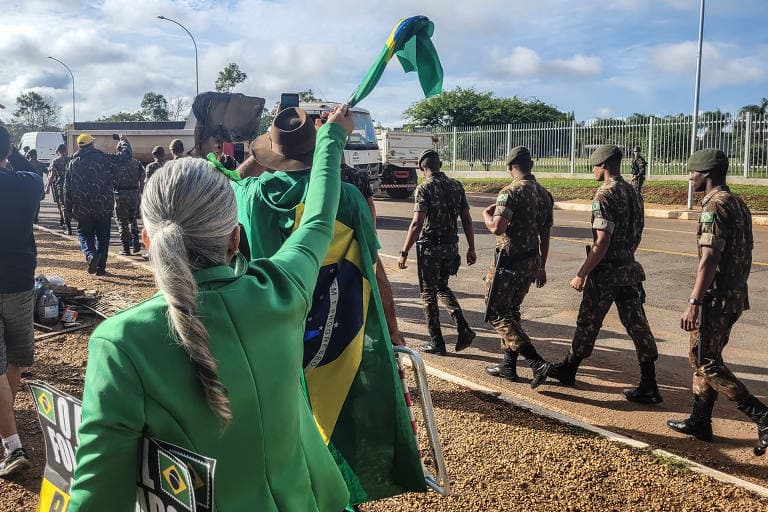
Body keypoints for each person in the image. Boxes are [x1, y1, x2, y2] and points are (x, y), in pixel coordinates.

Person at [69, 109, 354, 510]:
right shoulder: (281, 289)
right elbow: (319, 219)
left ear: (149, 242)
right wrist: (330, 140)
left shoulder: (121, 343)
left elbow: (98, 495)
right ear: (235, 239)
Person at [235, 107, 423, 506]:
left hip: (275, 333)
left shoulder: (251, 198)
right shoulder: (349, 197)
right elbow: (372, 265)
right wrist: (391, 327)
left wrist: (259, 154)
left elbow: (236, 179)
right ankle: (341, 494)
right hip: (338, 333)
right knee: (339, 417)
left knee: (284, 424)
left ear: (273, 153)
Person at [533, 144, 662, 405]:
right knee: (638, 326)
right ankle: (649, 383)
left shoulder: (604, 195)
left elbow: (602, 241)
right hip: (629, 269)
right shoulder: (634, 193)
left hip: (606, 273)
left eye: (593, 166)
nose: (592, 170)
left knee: (588, 322)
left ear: (603, 165)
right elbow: (636, 233)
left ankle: (569, 368)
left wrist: (582, 272)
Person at [668, 149, 767, 456]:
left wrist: (694, 301)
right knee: (705, 355)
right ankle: (700, 420)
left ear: (706, 174)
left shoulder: (714, 205)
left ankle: (762, 416)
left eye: (692, 172)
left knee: (705, 361)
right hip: (735, 295)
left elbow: (709, 258)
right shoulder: (738, 203)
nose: (690, 178)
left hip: (715, 298)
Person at [483, 146, 553, 383]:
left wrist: (486, 215)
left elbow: (497, 228)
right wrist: (542, 266)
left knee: (495, 311)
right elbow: (545, 234)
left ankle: (536, 362)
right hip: (531, 261)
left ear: (511, 167)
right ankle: (508, 365)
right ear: (530, 165)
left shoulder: (510, 192)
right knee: (511, 311)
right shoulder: (545, 194)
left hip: (508, 262)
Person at [398, 149, 477, 356]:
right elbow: (467, 220)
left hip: (430, 247)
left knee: (428, 293)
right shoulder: (456, 186)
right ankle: (463, 327)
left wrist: (404, 251)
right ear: (440, 165)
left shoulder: (424, 188)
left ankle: (437, 341)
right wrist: (472, 247)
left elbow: (417, 223)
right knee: (442, 286)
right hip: (451, 246)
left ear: (422, 168)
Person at [0, 125, 43, 477]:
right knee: (16, 358)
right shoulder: (28, 185)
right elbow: (23, 169)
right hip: (19, 281)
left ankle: (12, 444)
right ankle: (7, 427)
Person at [64, 133, 116, 276]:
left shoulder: (72, 164)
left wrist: (67, 210)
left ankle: (91, 255)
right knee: (103, 237)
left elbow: (67, 188)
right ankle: (101, 268)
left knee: (84, 234)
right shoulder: (104, 159)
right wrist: (124, 142)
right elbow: (124, 158)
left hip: (82, 208)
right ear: (91, 144)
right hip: (103, 207)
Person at [112, 139, 144, 255]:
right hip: (134, 194)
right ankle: (136, 242)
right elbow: (142, 179)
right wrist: (141, 193)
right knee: (134, 219)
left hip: (121, 195)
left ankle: (126, 248)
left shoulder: (115, 164)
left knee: (122, 222)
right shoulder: (136, 163)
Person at [46, 144, 72, 234]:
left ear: (58, 151)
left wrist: (47, 187)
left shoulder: (55, 161)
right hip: (71, 186)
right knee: (70, 204)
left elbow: (51, 175)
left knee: (62, 205)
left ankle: (68, 227)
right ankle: (66, 221)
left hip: (61, 186)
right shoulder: (71, 160)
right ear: (65, 150)